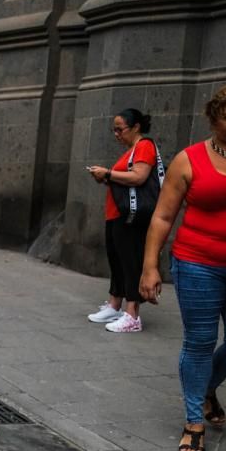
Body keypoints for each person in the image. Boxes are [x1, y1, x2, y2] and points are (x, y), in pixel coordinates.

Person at [139, 79, 226, 451]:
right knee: (200, 341)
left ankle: (207, 386)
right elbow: (162, 216)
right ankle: (194, 420)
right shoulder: (188, 159)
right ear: (214, 117)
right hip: (198, 264)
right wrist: (150, 267)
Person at [85, 109, 161, 333]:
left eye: (120, 129)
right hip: (117, 213)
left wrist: (107, 174)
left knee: (129, 261)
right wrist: (105, 177)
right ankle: (115, 304)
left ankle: (132, 314)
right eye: (114, 130)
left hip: (130, 216)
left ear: (136, 127)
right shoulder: (130, 150)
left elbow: (139, 176)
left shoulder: (144, 146)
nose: (116, 134)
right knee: (117, 259)